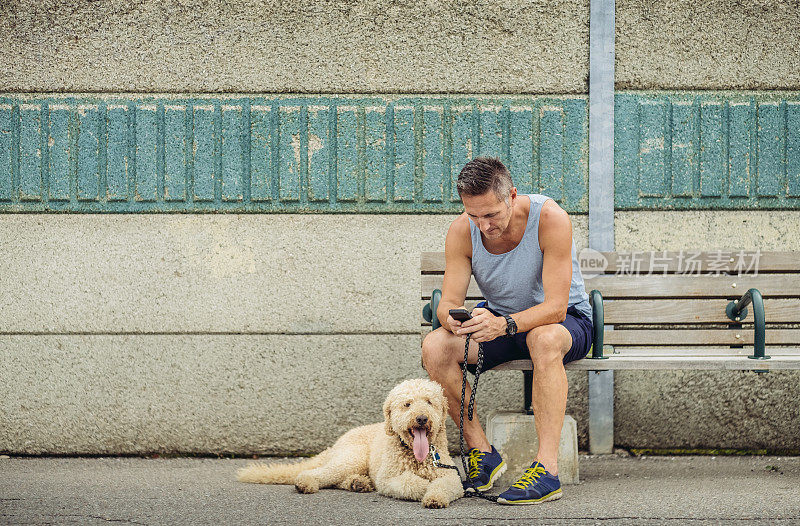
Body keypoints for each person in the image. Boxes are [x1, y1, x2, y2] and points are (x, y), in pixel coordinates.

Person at [421, 157, 593, 505]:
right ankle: (481, 452)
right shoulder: (461, 231)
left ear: (511, 196)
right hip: (501, 324)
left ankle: (547, 471)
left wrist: (505, 324)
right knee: (435, 347)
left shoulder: (549, 218)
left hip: (565, 323)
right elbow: (447, 301)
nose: (483, 225)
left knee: (541, 338)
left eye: (491, 215)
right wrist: (450, 318)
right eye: (474, 216)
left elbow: (556, 307)